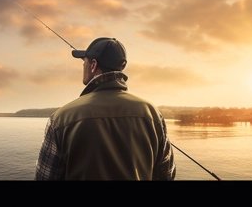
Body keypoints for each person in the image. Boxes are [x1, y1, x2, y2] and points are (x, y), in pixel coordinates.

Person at [34, 37, 176, 181]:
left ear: (93, 65)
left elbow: (44, 178)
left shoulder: (61, 118)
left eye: (84, 62)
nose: (83, 66)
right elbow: (166, 175)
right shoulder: (152, 113)